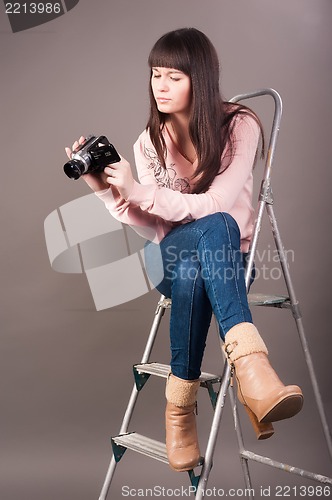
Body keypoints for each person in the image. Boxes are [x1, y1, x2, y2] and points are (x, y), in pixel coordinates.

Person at [65, 27, 303, 473]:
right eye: (156, 75)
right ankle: (254, 373)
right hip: (166, 257)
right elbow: (154, 223)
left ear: (201, 78)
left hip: (226, 262)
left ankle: (179, 414)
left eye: (174, 76)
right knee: (206, 236)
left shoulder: (240, 125)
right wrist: (109, 192)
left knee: (214, 231)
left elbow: (215, 203)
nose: (161, 85)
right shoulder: (146, 142)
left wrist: (139, 190)